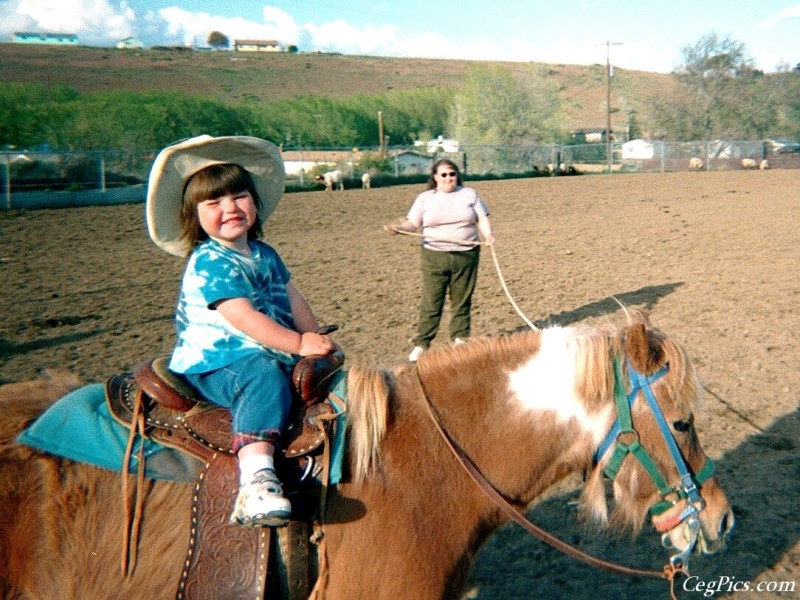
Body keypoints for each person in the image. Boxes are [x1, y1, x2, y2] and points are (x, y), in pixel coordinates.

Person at [145, 135, 335, 527]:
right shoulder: (210, 261)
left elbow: (290, 294)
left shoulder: (264, 253)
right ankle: (256, 478)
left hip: (260, 350)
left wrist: (315, 337)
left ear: (255, 202)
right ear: (193, 215)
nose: (229, 208)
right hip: (216, 360)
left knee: (314, 378)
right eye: (213, 202)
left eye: (240, 197)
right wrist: (299, 343)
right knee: (261, 377)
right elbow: (242, 317)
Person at [385, 158, 495, 362]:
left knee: (462, 300)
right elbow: (413, 223)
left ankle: (460, 339)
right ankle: (422, 344)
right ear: (435, 177)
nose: (448, 178)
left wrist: (488, 235)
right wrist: (399, 229)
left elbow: (482, 218)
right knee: (432, 300)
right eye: (443, 174)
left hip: (466, 254)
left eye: (452, 174)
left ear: (457, 176)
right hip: (434, 256)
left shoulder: (469, 194)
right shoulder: (425, 198)